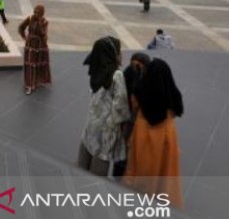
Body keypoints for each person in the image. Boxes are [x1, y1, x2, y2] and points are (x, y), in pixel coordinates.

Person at [124, 59, 184, 207]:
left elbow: (134, 105)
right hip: (167, 135)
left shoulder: (141, 89)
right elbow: (177, 110)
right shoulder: (172, 92)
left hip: (144, 133)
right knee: (165, 169)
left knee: (144, 169)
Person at [78, 36, 130, 177]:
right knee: (99, 164)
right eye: (119, 51)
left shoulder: (96, 70)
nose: (121, 55)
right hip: (106, 128)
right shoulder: (116, 74)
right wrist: (123, 125)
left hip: (91, 123)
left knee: (86, 155)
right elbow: (121, 105)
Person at [114, 52, 152, 177]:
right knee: (124, 144)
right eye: (134, 65)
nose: (136, 68)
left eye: (139, 66)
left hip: (139, 117)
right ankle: (120, 170)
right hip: (129, 115)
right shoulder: (129, 72)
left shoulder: (148, 77)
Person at [18, 5, 51, 95]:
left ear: (42, 13)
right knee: (30, 64)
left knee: (38, 64)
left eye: (38, 12)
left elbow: (43, 33)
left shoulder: (45, 21)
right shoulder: (30, 18)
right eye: (35, 12)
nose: (36, 14)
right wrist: (25, 37)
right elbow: (21, 27)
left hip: (40, 46)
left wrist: (40, 23)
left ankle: (38, 80)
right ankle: (29, 85)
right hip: (31, 46)